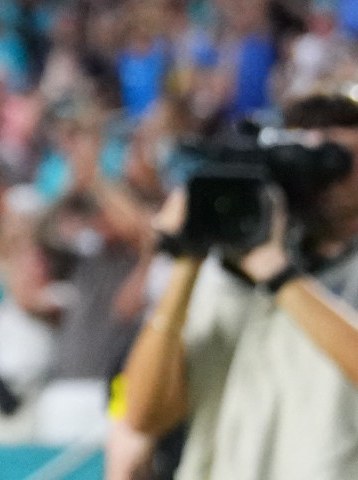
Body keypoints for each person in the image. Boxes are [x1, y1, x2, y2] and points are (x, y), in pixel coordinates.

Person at [117, 88, 358, 476]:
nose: (324, 177)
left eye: (338, 161)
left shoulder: (277, 269)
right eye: (306, 156)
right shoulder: (224, 273)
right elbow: (144, 416)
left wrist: (280, 278)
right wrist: (187, 258)